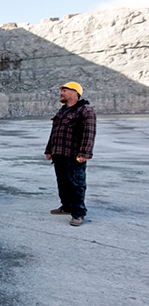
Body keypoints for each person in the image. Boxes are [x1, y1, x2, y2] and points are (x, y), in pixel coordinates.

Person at [44, 81, 96, 226]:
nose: (61, 93)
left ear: (74, 93)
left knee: (76, 185)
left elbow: (89, 133)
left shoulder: (85, 110)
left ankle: (78, 214)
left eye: (64, 91)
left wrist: (85, 153)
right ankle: (66, 207)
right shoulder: (62, 111)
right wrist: (49, 150)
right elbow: (54, 132)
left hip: (74, 155)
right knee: (63, 183)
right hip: (59, 153)